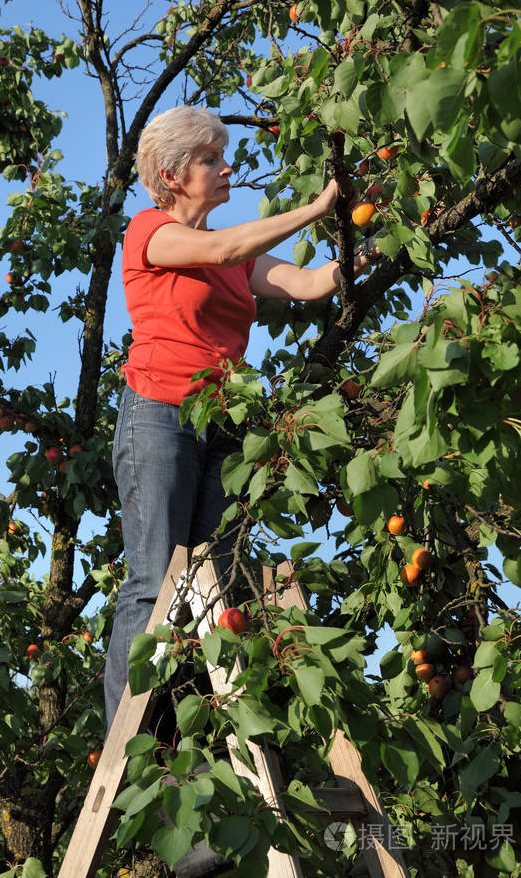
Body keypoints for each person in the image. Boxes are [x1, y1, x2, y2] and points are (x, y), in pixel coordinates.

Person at [104, 106, 380, 732]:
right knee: (153, 582)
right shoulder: (149, 232)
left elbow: (310, 283)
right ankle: (129, 737)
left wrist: (365, 243)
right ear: (172, 174)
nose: (226, 168)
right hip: (159, 416)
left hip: (223, 424)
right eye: (211, 159)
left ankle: (190, 729)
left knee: (210, 584)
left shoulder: (233, 259)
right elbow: (225, 243)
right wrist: (318, 205)